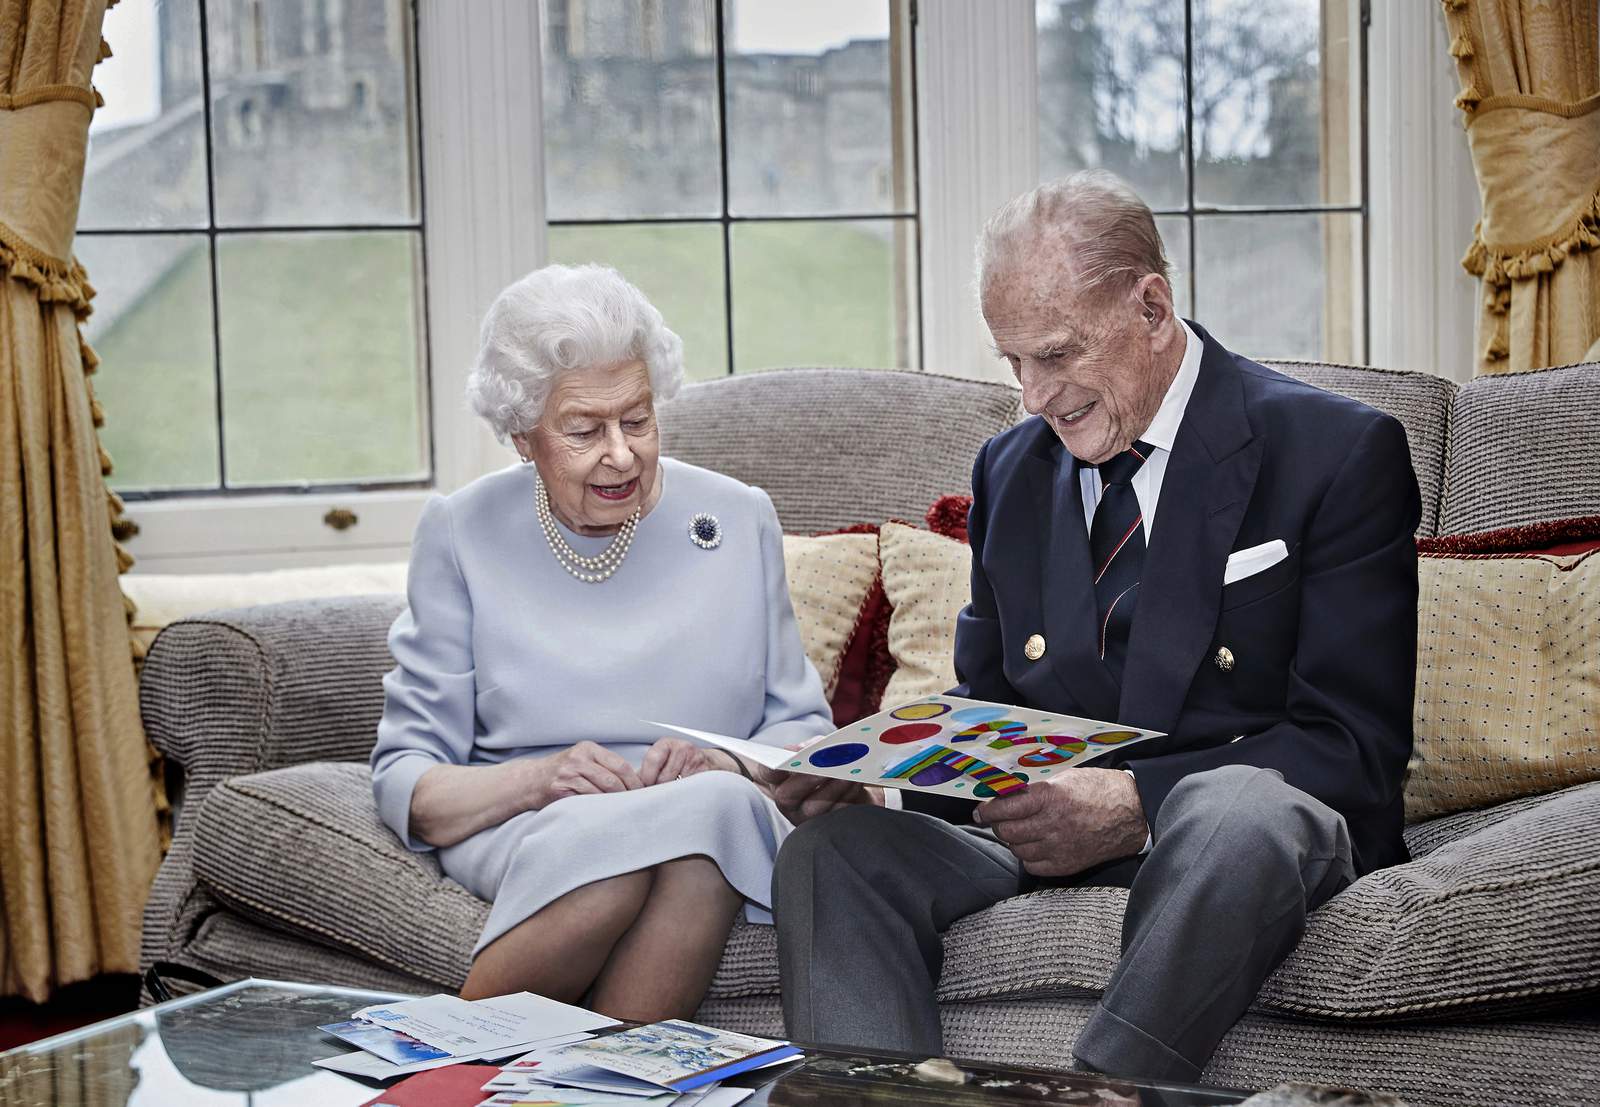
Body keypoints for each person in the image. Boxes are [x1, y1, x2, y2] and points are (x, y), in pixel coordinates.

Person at [769, 170, 1420, 1081]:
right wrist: (881, 781)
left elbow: (1353, 748)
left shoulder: (1335, 452)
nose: (1035, 395)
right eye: (1014, 363)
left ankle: (1099, 1095)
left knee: (1239, 807)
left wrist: (1134, 806)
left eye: (1058, 354)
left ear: (1151, 306)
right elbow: (990, 706)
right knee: (833, 853)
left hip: (1228, 848)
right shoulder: (1011, 469)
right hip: (1041, 841)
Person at [371, 263, 834, 1020]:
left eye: (639, 419)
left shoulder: (738, 516)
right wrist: (540, 779)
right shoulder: (462, 531)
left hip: (707, 808)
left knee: (703, 822)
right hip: (527, 818)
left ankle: (439, 1077)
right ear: (523, 437)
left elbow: (803, 730)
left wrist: (724, 759)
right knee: (641, 856)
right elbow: (409, 778)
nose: (621, 453)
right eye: (584, 430)